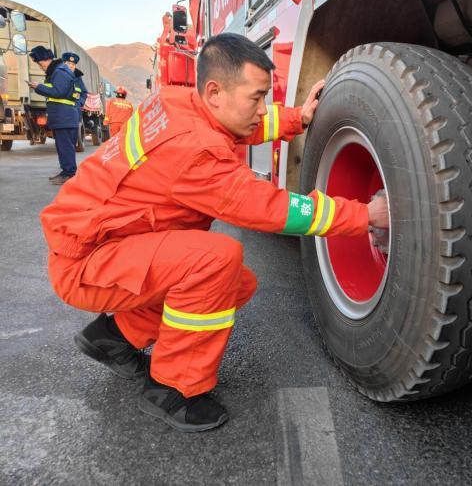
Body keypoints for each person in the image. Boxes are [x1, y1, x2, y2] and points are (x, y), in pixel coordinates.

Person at [40, 33, 390, 433]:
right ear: (215, 92)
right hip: (86, 262)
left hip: (105, 245)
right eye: (256, 98)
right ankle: (171, 389)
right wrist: (364, 215)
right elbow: (275, 210)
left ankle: (112, 337)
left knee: (235, 283)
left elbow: (240, 128)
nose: (261, 110)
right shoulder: (196, 152)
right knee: (214, 261)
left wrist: (298, 118)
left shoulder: (178, 101)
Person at [27, 46, 79, 185]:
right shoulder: (58, 71)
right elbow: (54, 92)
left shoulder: (60, 71)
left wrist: (38, 87)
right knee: (63, 147)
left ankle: (69, 174)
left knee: (65, 147)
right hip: (63, 116)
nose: (40, 67)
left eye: (39, 63)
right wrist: (39, 88)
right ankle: (66, 172)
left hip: (64, 117)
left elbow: (58, 92)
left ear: (47, 59)